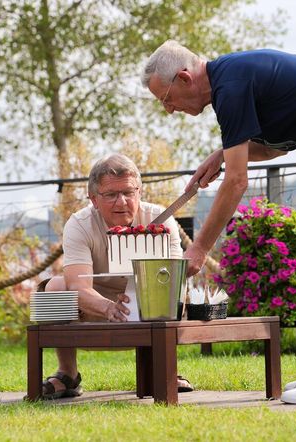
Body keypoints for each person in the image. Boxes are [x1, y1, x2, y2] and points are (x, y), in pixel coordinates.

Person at [142, 41, 296, 405]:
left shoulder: (229, 86)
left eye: (166, 98)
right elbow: (275, 148)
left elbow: (238, 182)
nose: (168, 110)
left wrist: (200, 247)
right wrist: (223, 155)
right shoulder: (230, 80)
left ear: (183, 77)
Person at [40, 153, 194, 399]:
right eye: (110, 195)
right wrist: (108, 307)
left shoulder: (163, 219)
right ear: (93, 199)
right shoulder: (79, 224)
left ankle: (163, 369)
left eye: (128, 192)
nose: (121, 202)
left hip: (150, 301)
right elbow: (77, 286)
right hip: (95, 306)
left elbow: (173, 279)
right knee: (55, 287)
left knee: (176, 289)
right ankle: (67, 374)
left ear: (139, 192)